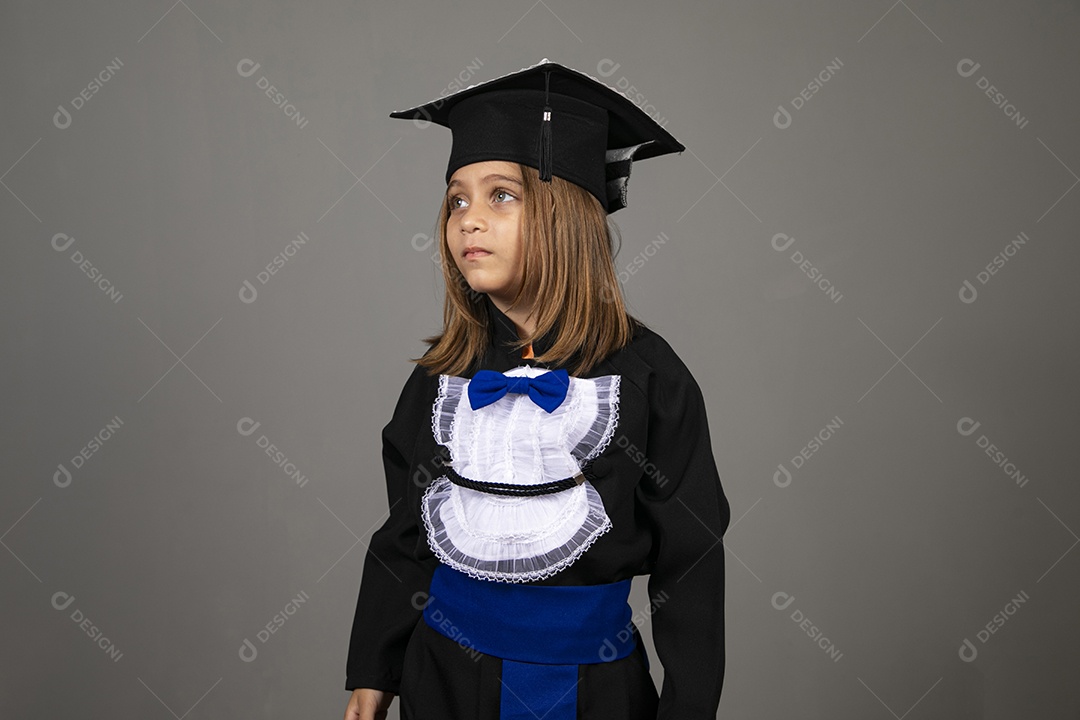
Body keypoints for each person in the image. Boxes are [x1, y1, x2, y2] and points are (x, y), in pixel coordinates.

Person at [343, 59, 731, 720]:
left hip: (589, 688)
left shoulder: (649, 378)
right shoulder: (441, 377)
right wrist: (372, 674)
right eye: (456, 199)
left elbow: (689, 564)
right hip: (440, 677)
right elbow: (404, 536)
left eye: (500, 195)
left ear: (567, 215)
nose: (468, 219)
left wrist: (686, 708)